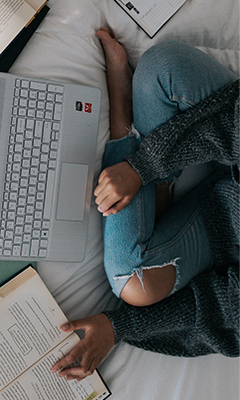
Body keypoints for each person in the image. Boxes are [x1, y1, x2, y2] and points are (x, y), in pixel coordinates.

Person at [51, 29, 239, 380]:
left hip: (226, 225)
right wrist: (144, 167)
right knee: (162, 66)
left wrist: (120, 326)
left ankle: (124, 125)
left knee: (132, 280)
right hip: (233, 139)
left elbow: (228, 308)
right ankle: (156, 181)